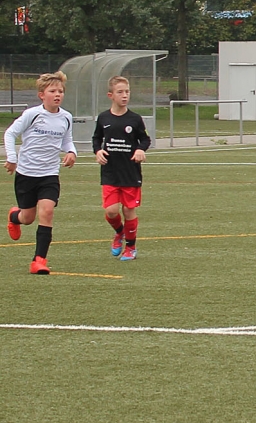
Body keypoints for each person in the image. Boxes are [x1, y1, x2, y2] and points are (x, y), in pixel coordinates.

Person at [3, 71, 77, 274]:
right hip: (26, 174)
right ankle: (14, 217)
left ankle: (38, 261)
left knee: (47, 212)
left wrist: (71, 152)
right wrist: (12, 158)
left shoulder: (66, 117)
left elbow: (67, 140)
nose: (57, 94)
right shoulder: (32, 114)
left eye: (60, 91)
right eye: (52, 91)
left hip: (49, 175)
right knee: (27, 218)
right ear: (41, 95)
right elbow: (10, 133)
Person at [93, 76, 151, 261]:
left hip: (130, 172)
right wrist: (98, 151)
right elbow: (96, 138)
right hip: (110, 172)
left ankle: (131, 248)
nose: (124, 95)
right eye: (120, 92)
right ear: (110, 95)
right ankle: (120, 232)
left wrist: (140, 149)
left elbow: (145, 139)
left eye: (127, 92)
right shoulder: (104, 118)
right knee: (111, 211)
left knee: (128, 210)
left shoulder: (135, 119)